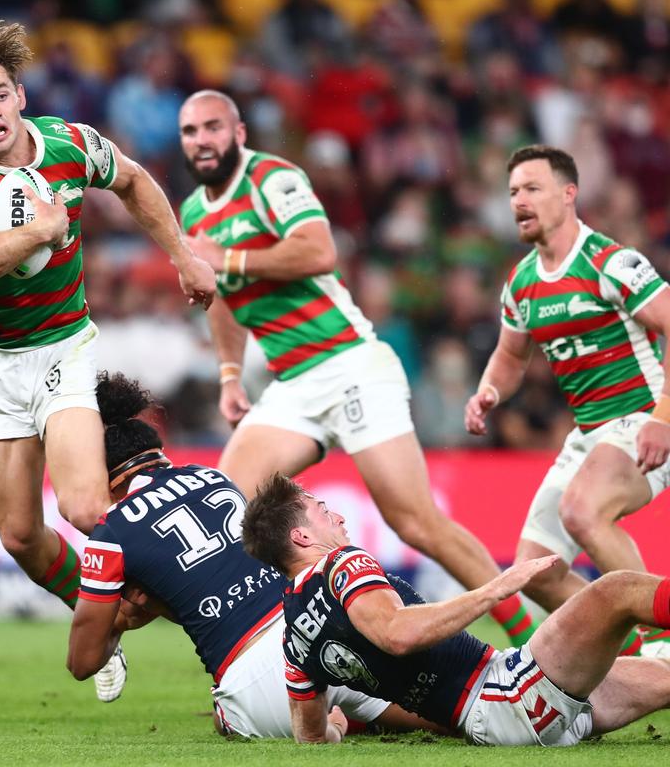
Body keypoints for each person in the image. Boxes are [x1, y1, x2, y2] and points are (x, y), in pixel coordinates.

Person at [177, 89, 537, 647]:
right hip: (292, 383)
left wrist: (231, 256)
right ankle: (267, 656)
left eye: (213, 127)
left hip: (349, 363)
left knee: (416, 522)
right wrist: (229, 373)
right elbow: (219, 298)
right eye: (191, 131)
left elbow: (318, 252)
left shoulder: (272, 180)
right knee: (225, 510)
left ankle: (529, 636)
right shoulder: (195, 213)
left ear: (239, 133)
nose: (202, 140)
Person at [0, 17, 215, 702]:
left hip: (63, 347)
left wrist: (182, 255)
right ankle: (108, 617)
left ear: (20, 95)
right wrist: (40, 228)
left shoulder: (70, 143)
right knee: (22, 535)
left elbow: (138, 181)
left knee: (88, 507)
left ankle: (224, 616)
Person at [67, 372, 439, 738]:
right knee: (444, 713)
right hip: (319, 626)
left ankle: (337, 722)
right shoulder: (213, 477)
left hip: (254, 682)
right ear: (159, 454)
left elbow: (82, 663)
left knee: (223, 718)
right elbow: (222, 571)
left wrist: (120, 622)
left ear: (103, 477)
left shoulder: (111, 530)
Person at [241, 473, 670, 746]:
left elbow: (309, 735)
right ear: (300, 537)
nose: (335, 515)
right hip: (511, 694)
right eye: (321, 510)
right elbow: (398, 633)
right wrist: (494, 589)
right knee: (618, 590)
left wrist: (335, 729)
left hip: (499, 720)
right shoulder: (342, 563)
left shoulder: (293, 634)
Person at [465, 145, 670, 655]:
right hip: (589, 433)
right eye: (513, 191)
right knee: (537, 569)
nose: (520, 200)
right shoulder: (522, 283)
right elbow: (511, 357)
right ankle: (623, 653)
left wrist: (663, 417)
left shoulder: (611, 261)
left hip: (643, 415)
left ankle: (663, 640)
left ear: (568, 194)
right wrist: (489, 391)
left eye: (533, 188)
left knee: (582, 511)